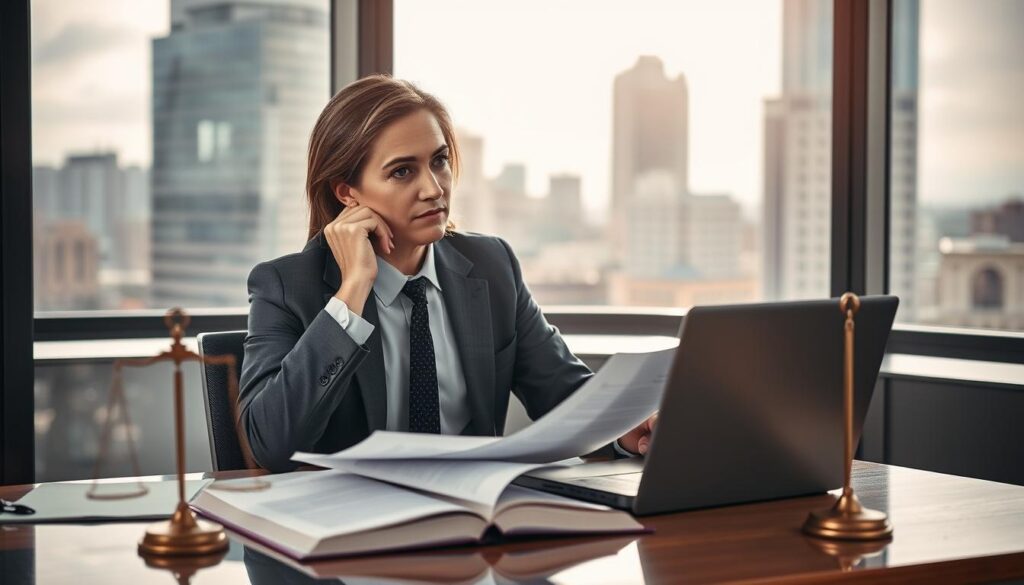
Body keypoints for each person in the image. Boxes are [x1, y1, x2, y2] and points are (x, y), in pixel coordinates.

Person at [238, 75, 656, 473]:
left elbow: (565, 397)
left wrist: (628, 429)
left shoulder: (493, 267)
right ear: (347, 191)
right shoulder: (285, 287)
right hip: (348, 530)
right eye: (403, 171)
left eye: (439, 162)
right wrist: (351, 292)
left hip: (473, 525)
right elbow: (272, 445)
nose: (434, 188)